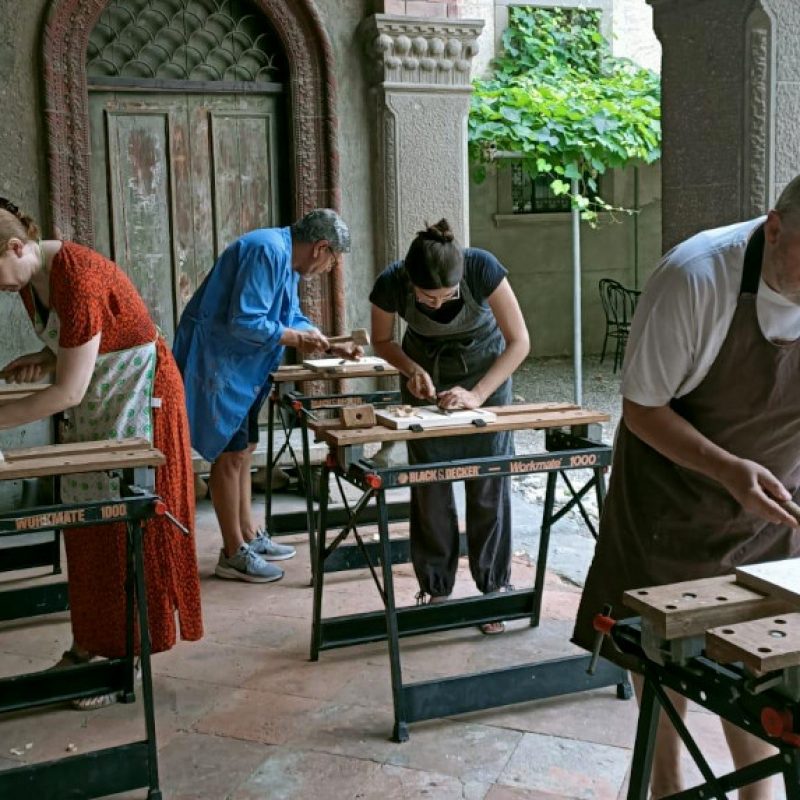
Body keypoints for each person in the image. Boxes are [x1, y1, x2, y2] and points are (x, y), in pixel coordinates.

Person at [573, 178, 800, 799]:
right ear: (774, 228)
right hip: (671, 500)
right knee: (663, 649)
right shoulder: (698, 277)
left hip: (773, 506)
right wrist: (729, 470)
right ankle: (665, 781)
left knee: (757, 664)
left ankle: (761, 792)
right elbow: (643, 409)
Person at [0, 197, 203, 708]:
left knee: (124, 526)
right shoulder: (29, 280)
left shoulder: (77, 274)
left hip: (141, 398)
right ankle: (87, 644)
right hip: (102, 399)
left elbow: (69, 390)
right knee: (88, 529)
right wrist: (44, 357)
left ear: (16, 246)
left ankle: (124, 656)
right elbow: (83, 346)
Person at [173, 208, 361, 583]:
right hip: (220, 363)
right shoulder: (267, 250)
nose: (327, 269)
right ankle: (231, 553)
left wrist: (326, 343)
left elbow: (290, 315)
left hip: (244, 367)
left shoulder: (284, 259)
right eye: (331, 261)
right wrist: (296, 339)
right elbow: (246, 320)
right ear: (320, 248)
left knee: (243, 451)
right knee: (228, 456)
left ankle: (247, 535)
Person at [369, 219, 530, 633]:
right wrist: (410, 370)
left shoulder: (482, 268)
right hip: (426, 378)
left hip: (485, 379)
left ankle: (492, 588)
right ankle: (437, 587)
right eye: (428, 299)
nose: (438, 305)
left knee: (488, 484)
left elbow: (519, 342)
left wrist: (477, 395)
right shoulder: (392, 282)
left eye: (448, 297)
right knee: (431, 485)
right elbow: (382, 340)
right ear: (411, 282)